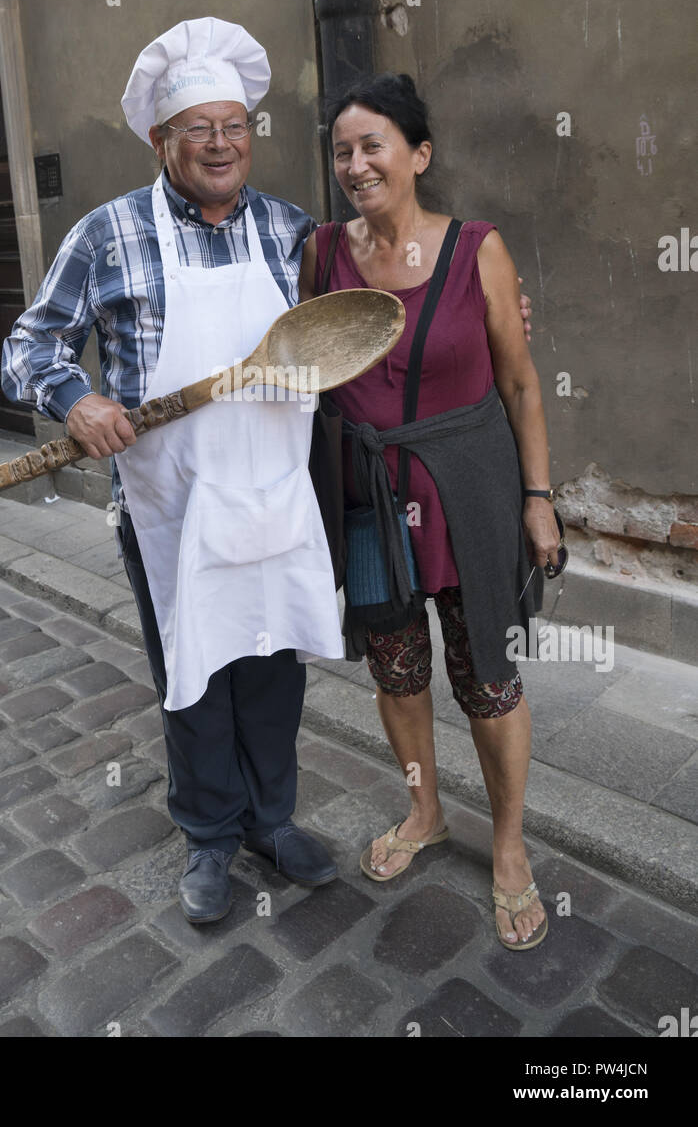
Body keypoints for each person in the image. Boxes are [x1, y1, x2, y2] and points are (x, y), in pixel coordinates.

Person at [1, 18, 346, 924]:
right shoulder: (108, 235)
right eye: (198, 127)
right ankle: (209, 836)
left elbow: (364, 315)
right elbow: (28, 343)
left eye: (234, 124)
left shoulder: (292, 232)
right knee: (193, 671)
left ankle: (274, 820)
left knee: (273, 661)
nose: (221, 143)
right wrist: (75, 400)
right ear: (162, 141)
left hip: (273, 490)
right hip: (171, 507)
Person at [299, 72, 558, 950]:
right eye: (342, 150)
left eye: (374, 145)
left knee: (488, 672)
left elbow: (521, 384)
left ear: (419, 155)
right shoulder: (321, 253)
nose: (357, 163)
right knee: (395, 668)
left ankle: (511, 844)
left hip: (470, 492)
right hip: (369, 496)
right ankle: (425, 811)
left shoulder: (476, 249)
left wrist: (539, 499)